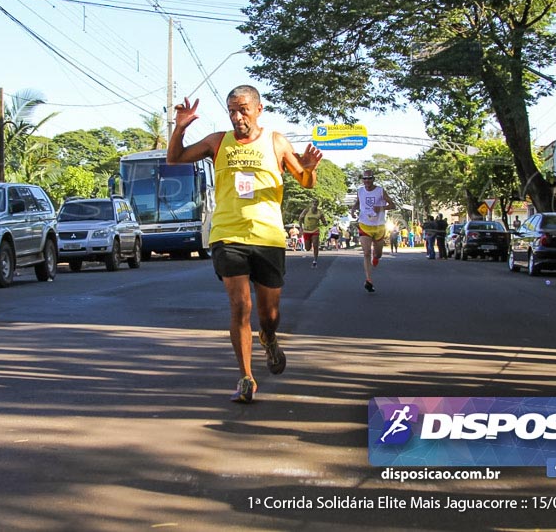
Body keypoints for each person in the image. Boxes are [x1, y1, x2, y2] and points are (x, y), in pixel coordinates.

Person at [167, 87, 321, 404]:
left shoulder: (276, 141)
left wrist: (309, 169)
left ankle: (269, 336)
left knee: (269, 314)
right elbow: (175, 158)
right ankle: (246, 377)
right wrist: (180, 127)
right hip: (227, 234)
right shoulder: (217, 142)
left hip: (268, 236)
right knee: (240, 307)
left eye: (243, 110)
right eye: (232, 111)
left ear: (259, 109)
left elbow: (304, 180)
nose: (238, 117)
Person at [351, 170, 396, 292]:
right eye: (364, 179)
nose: (367, 181)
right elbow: (357, 203)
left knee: (378, 254)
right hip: (364, 225)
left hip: (379, 226)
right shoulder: (360, 191)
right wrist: (353, 210)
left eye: (369, 178)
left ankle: (376, 258)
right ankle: (369, 280)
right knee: (366, 253)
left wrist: (381, 208)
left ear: (373, 179)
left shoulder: (380, 191)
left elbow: (393, 205)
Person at [297, 199, 323, 266]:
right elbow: (300, 218)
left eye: (316, 202)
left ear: (318, 204)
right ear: (311, 203)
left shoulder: (319, 212)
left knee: (315, 245)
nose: (315, 203)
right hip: (306, 231)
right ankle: (310, 241)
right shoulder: (306, 210)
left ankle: (315, 260)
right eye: (314, 202)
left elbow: (323, 220)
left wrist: (325, 223)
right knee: (307, 248)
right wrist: (300, 227)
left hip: (315, 230)